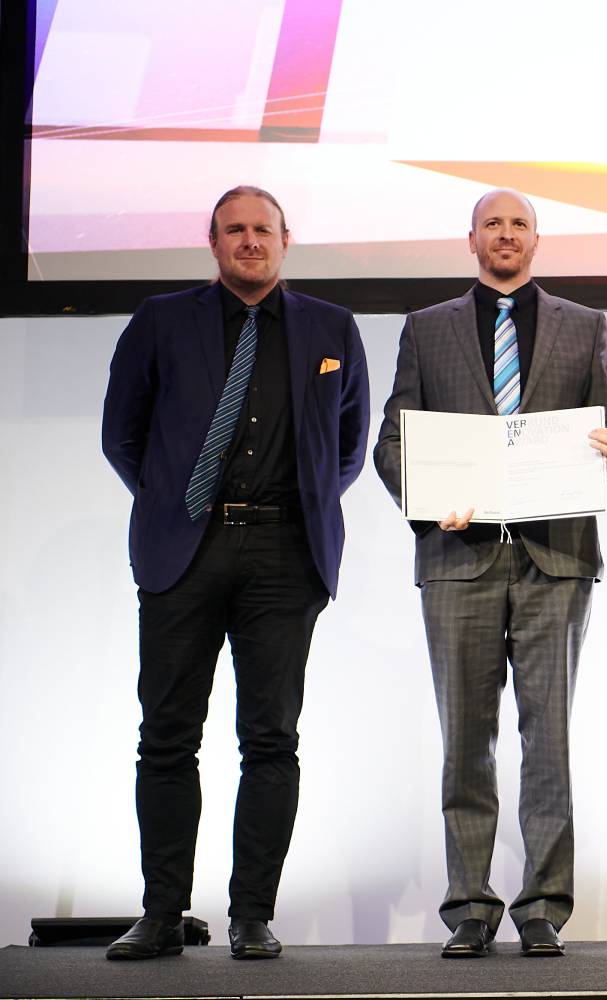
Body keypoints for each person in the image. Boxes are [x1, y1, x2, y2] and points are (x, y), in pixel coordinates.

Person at [100, 186, 370, 961]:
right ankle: (161, 914)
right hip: (185, 552)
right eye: (235, 230)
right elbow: (124, 436)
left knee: (271, 739)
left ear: (286, 239)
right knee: (167, 738)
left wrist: (303, 504)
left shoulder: (332, 328)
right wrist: (176, 506)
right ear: (213, 243)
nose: (250, 241)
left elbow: (345, 445)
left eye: (263, 229)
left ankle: (252, 914)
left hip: (287, 556)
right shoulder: (160, 320)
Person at [373, 188, 607, 959]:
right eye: (493, 224)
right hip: (458, 557)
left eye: (519, 224)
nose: (506, 234)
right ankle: (471, 907)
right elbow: (394, 443)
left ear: (537, 240)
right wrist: (429, 498)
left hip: (556, 558)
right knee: (465, 741)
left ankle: (543, 905)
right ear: (471, 240)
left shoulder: (585, 326)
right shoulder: (426, 329)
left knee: (550, 740)